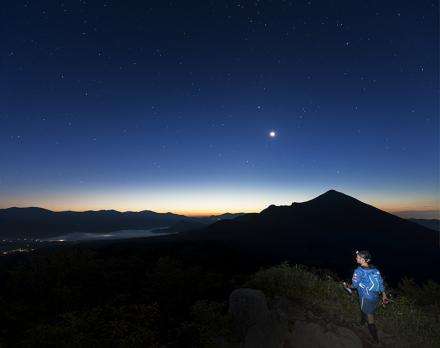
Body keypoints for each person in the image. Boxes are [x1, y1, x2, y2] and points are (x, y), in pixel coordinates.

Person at [343, 250, 389, 346]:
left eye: (358, 257)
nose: (356, 258)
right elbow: (380, 283)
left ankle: (377, 341)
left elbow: (354, 286)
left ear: (364, 260)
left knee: (370, 319)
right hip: (375, 297)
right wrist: (384, 295)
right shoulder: (375, 270)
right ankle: (361, 324)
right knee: (364, 311)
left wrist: (347, 286)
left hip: (366, 298)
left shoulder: (358, 271)